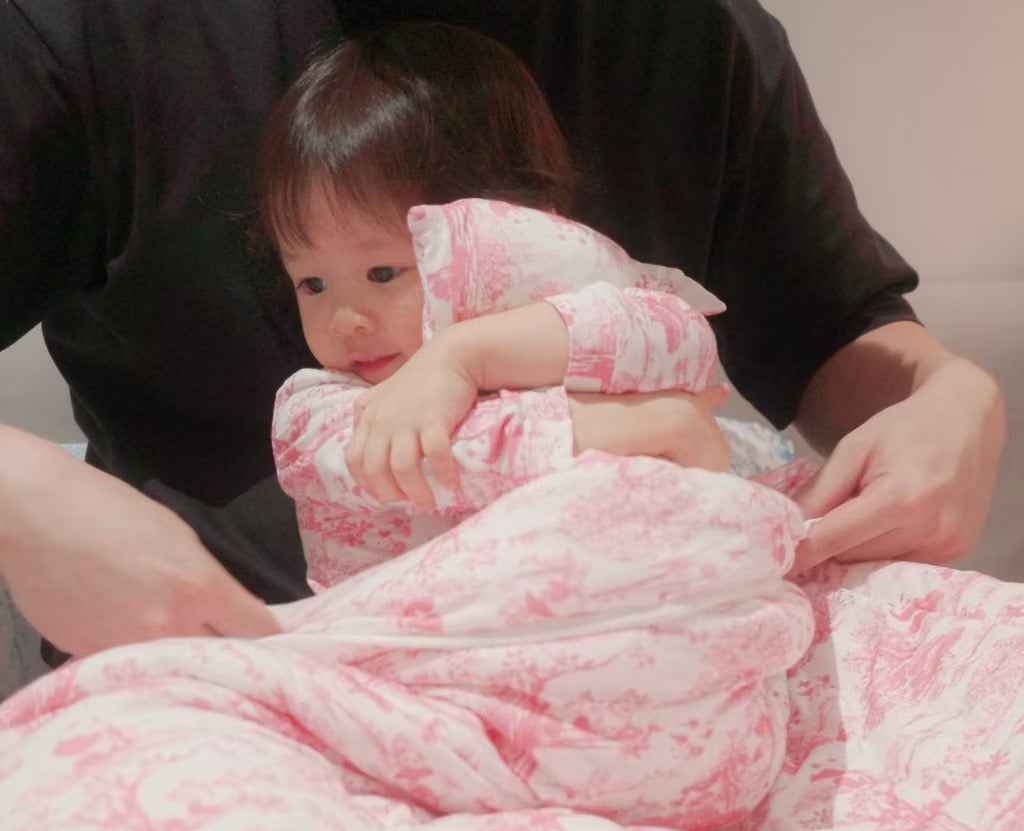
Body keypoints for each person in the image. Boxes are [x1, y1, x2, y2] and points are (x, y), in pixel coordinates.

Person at [0, 0, 1005, 663]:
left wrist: (948, 395)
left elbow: (834, 327)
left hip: (639, 649)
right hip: (236, 670)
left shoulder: (694, 37)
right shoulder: (86, 31)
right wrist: (25, 491)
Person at [259, 20, 738, 589]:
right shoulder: (315, 412)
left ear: (503, 233)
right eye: (311, 284)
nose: (344, 320)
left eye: (383, 272)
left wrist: (465, 354)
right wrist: (661, 421)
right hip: (415, 652)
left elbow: (679, 336)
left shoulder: (552, 315)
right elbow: (462, 457)